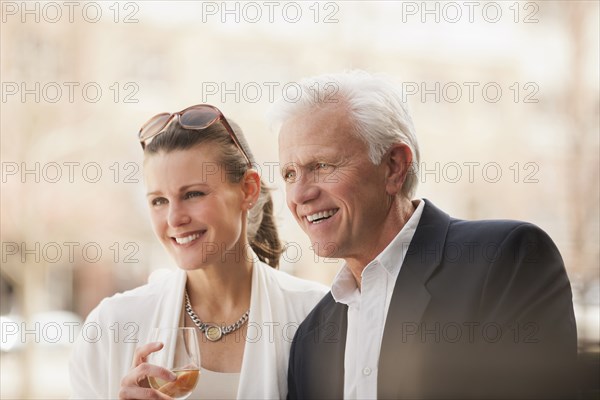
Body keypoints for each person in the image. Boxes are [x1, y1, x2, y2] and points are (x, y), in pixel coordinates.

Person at [270, 71, 578, 399]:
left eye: (322, 166)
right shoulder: (311, 336)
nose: (300, 194)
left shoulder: (507, 261)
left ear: (394, 167)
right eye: (290, 174)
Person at [69, 104, 327, 399]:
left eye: (193, 194)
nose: (174, 219)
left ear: (248, 190)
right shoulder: (111, 327)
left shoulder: (318, 315)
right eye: (158, 201)